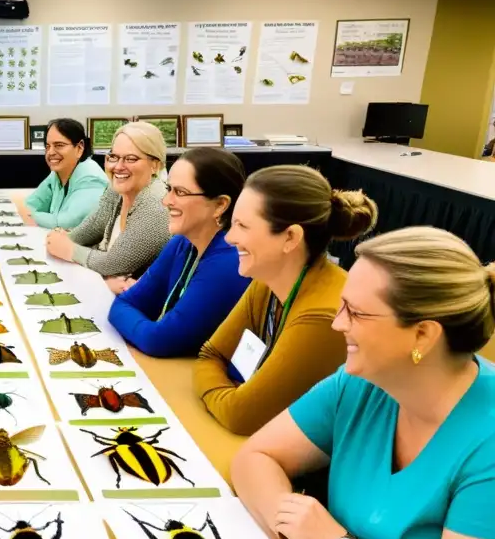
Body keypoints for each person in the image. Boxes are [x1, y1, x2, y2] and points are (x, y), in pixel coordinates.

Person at [230, 227, 495, 539]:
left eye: (356, 312)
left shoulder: (488, 440)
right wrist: (291, 523)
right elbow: (254, 458)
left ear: (423, 334)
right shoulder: (363, 380)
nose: (337, 324)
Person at [193, 165, 378, 435]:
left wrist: (224, 394)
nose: (230, 238)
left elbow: (240, 416)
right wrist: (228, 394)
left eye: (242, 226)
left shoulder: (323, 317)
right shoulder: (268, 281)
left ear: (290, 237)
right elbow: (210, 355)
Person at [107, 148, 251, 358]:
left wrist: (145, 329)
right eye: (169, 189)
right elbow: (123, 304)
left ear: (220, 204)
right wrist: (148, 330)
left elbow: (160, 341)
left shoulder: (229, 261)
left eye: (180, 192)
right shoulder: (182, 242)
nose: (166, 201)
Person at [46, 122, 169, 280]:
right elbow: (88, 231)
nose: (118, 166)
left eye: (131, 159)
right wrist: (63, 239)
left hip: (139, 302)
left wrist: (69, 249)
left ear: (155, 165)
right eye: (113, 157)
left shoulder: (156, 203)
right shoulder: (116, 189)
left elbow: (113, 264)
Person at [18, 118, 107, 230]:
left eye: (59, 145)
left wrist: (26, 214)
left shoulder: (92, 179)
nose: (50, 152)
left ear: (79, 148)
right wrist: (25, 212)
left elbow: (66, 223)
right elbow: (31, 204)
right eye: (48, 146)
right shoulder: (57, 173)